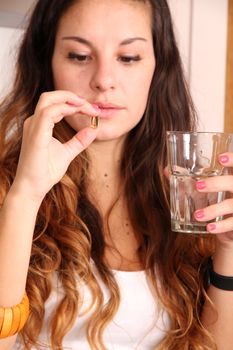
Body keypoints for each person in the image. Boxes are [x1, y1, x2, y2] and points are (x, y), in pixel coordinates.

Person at [0, 0, 233, 349]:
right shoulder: (10, 188)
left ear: (158, 67)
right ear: (47, 63)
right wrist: (25, 196)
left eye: (128, 58)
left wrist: (228, 250)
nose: (103, 80)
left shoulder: (186, 195)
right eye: (79, 56)